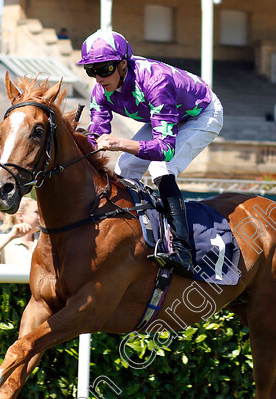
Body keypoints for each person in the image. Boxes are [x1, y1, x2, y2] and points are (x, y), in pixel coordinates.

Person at [78, 29, 224, 277]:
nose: (99, 78)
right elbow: (95, 138)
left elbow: (165, 150)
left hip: (202, 114)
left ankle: (182, 249)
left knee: (161, 167)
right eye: (91, 71)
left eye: (104, 70)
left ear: (123, 64)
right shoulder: (99, 92)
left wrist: (120, 143)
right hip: (167, 117)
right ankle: (130, 235)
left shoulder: (155, 80)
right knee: (125, 169)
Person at [0, 198, 40, 266]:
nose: (41, 217)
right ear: (20, 216)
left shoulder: (43, 240)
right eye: (37, 212)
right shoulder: (3, 240)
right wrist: (10, 236)